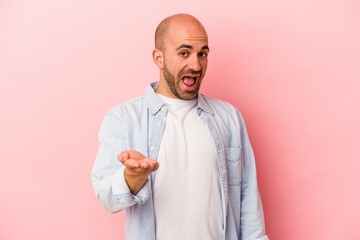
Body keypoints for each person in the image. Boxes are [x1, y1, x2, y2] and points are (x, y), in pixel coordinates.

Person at [92, 13, 269, 240]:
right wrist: (132, 176)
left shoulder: (229, 117)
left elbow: (248, 201)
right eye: (184, 53)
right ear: (159, 58)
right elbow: (107, 198)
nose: (195, 65)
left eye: (202, 54)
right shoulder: (123, 118)